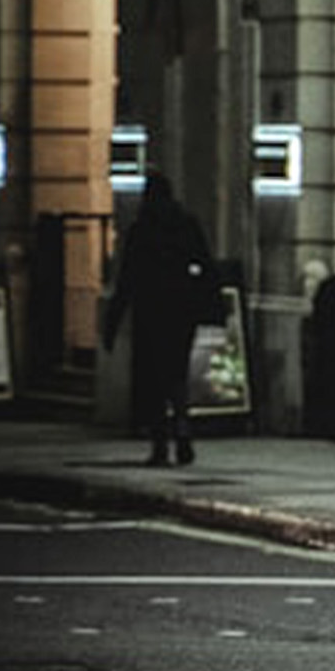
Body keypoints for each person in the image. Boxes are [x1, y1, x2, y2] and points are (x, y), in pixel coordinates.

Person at [101, 173, 220, 466]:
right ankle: (182, 427)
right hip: (182, 313)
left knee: (153, 380)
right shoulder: (187, 224)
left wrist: (112, 322)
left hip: (150, 312)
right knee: (177, 374)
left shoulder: (142, 229)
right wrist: (213, 308)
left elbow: (127, 279)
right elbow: (206, 265)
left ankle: (159, 444)